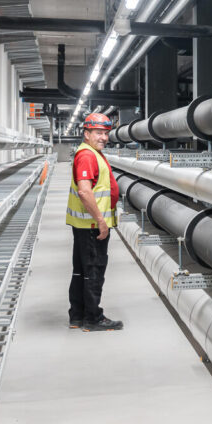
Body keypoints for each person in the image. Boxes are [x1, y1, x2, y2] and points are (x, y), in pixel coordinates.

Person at [66, 112, 124, 332]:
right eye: (98, 133)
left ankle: (77, 315)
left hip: (85, 226)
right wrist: (101, 221)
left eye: (106, 133)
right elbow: (84, 191)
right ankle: (93, 318)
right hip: (91, 226)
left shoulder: (91, 153)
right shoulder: (88, 156)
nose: (103, 137)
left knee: (81, 270)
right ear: (87, 133)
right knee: (94, 270)